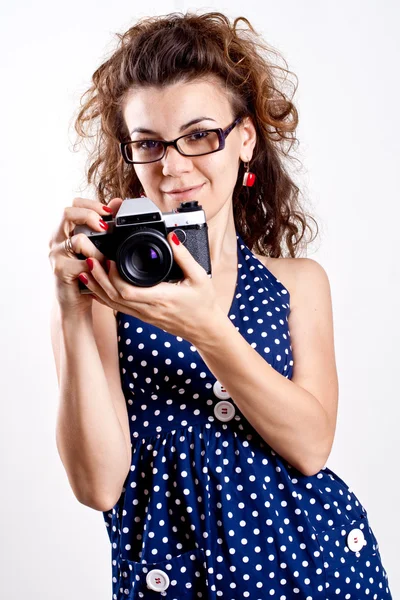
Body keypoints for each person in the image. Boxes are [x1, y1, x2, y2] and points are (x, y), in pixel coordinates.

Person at [48, 10, 393, 600]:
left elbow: (311, 447)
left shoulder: (298, 283)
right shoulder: (100, 295)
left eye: (200, 135)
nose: (173, 166)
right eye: (149, 144)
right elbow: (99, 486)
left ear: (246, 140)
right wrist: (73, 306)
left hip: (318, 569)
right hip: (170, 578)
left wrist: (209, 329)